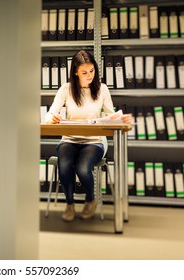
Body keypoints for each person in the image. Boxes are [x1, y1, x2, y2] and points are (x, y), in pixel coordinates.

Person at [44, 50, 132, 222]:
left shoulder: (102, 89)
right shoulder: (66, 89)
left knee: (82, 167)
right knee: (65, 164)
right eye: (84, 72)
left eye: (92, 71)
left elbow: (111, 115)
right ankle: (69, 204)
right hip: (69, 139)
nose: (89, 75)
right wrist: (51, 118)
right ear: (75, 72)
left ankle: (90, 199)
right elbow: (49, 115)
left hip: (95, 141)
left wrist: (120, 118)